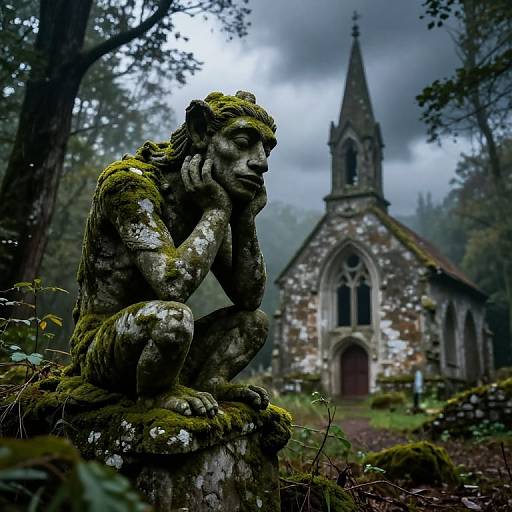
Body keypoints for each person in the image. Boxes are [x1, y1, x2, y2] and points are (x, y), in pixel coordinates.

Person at [68, 91, 277, 418]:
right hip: (104, 349)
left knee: (254, 323)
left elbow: (249, 298)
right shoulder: (129, 185)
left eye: (265, 150)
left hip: (164, 350)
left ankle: (210, 382)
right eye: (242, 141)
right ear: (198, 131)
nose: (261, 162)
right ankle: (154, 396)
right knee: (174, 317)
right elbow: (172, 286)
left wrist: (244, 219)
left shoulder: (206, 201)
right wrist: (217, 212)